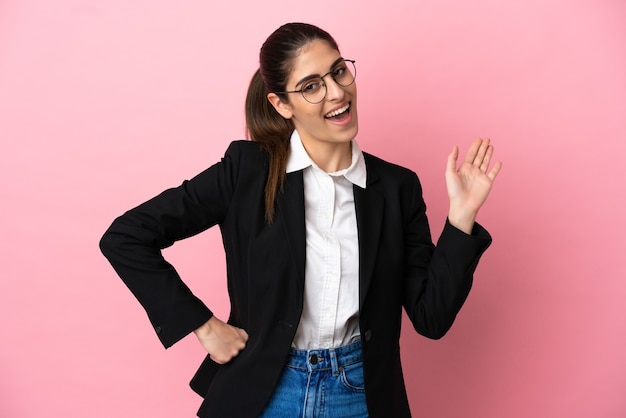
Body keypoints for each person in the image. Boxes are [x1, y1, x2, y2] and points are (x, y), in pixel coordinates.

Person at [100, 22, 501, 418]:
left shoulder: (397, 188)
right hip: (265, 391)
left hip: (360, 393)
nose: (337, 92)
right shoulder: (246, 172)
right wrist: (204, 326)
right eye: (312, 86)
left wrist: (461, 217)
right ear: (281, 104)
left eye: (339, 71)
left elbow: (431, 318)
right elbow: (126, 236)